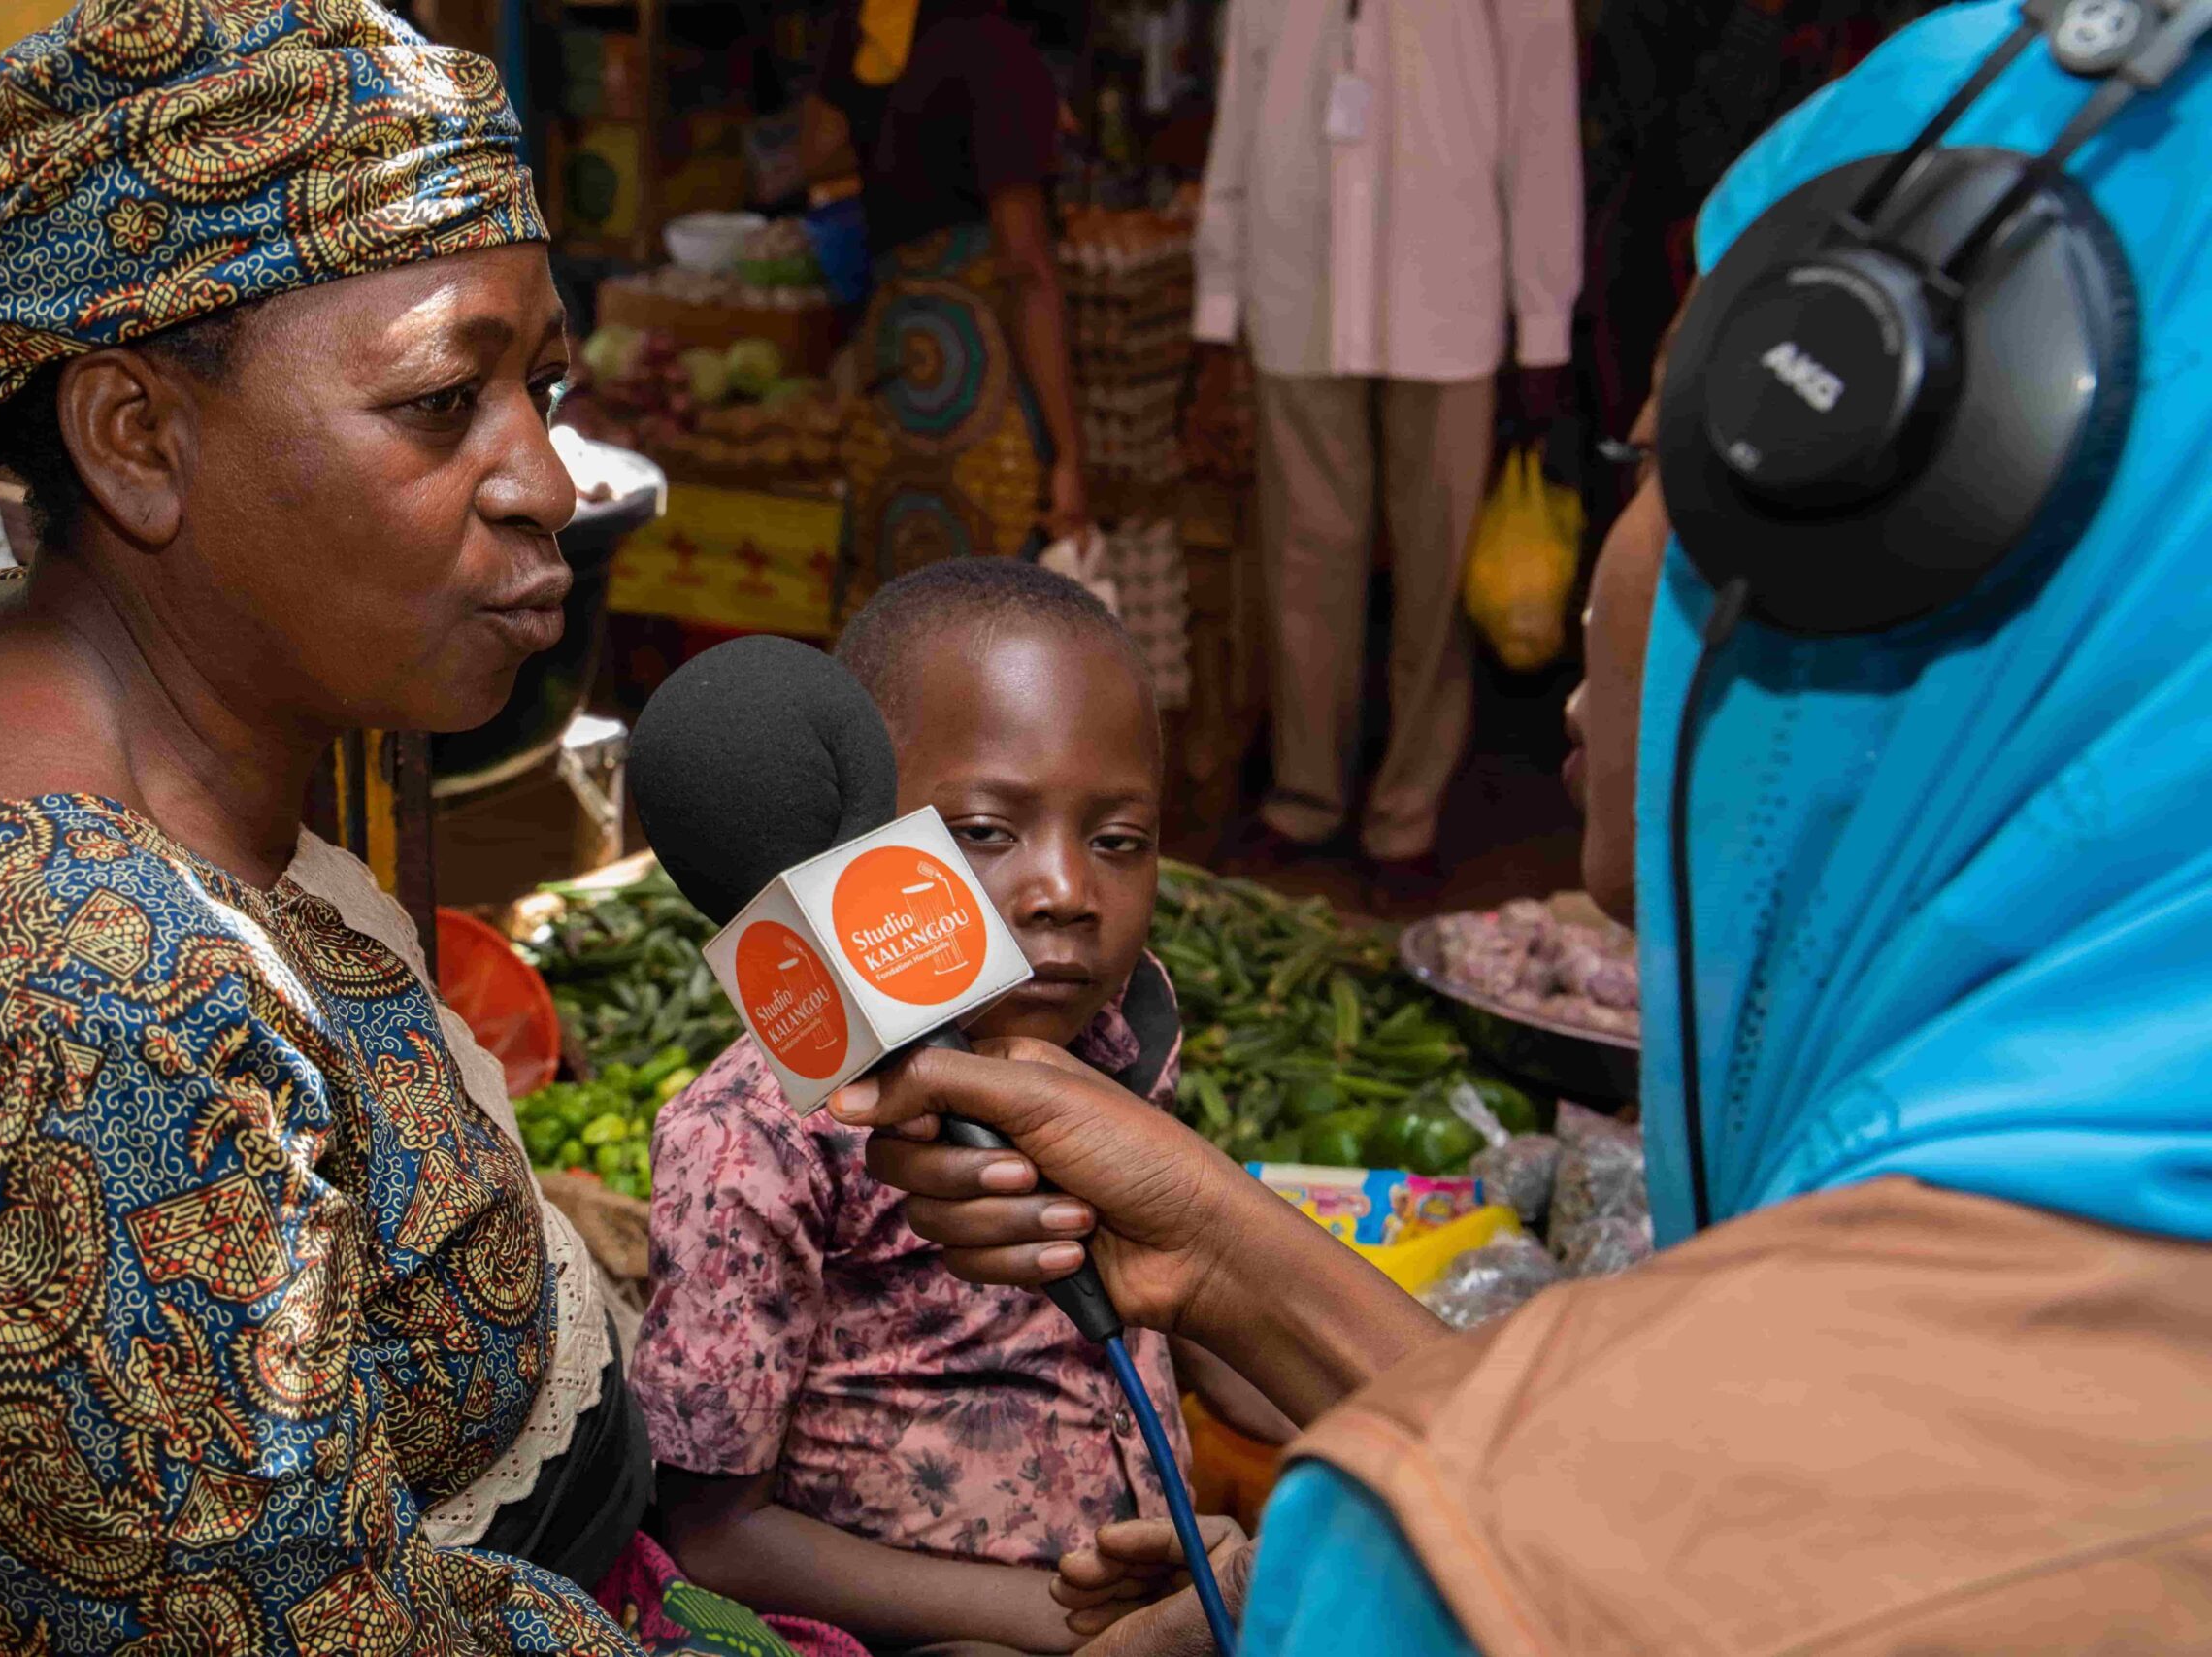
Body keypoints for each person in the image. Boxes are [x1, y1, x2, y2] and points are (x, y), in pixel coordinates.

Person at [835, 5, 2212, 1651]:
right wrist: (1216, 1244)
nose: (1597, 577)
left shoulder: (1496, 1563)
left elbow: (1583, 1535)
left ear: (1860, 528)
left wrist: (1385, 1567)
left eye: (1646, 468)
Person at [0, 4, 644, 1649]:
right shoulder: (95, 1001)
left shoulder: (14, 642)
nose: (547, 482)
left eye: (543, 383)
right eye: (443, 403)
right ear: (135, 440)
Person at [632, 562, 1267, 1655]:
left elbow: (1193, 1315)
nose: (1066, 888)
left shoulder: (1118, 1036)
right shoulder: (755, 1136)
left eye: (1119, 840)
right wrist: (1051, 1627)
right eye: (984, 829)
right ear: (852, 836)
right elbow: (712, 1536)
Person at [1195, 0, 1581, 896]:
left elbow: (1538, 119)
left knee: (1437, 574)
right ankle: (1306, 796)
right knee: (1302, 561)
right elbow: (1238, 117)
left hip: (1449, 291)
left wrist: (1543, 324)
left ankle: (1407, 812)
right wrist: (1218, 311)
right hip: (1296, 288)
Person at [807, 1, 1094, 604]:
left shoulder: (869, 27)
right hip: (985, 402)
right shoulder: (996, 52)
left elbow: (816, 150)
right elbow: (1025, 269)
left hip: (894, 378)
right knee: (988, 632)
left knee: (898, 627)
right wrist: (1068, 455)